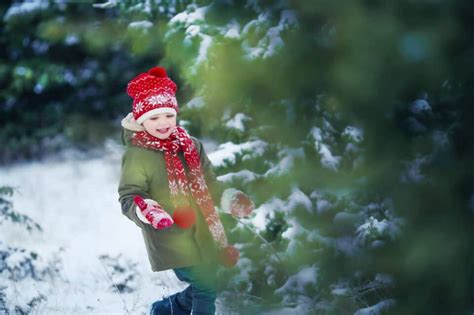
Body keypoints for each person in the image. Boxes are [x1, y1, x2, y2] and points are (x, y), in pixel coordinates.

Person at [117, 66, 254, 315]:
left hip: (203, 232)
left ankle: (163, 310)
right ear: (140, 119)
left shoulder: (191, 146)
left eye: (168, 115)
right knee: (206, 286)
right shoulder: (138, 156)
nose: (163, 123)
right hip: (171, 236)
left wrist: (231, 199)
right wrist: (148, 210)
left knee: (205, 285)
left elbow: (209, 183)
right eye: (154, 117)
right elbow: (129, 196)